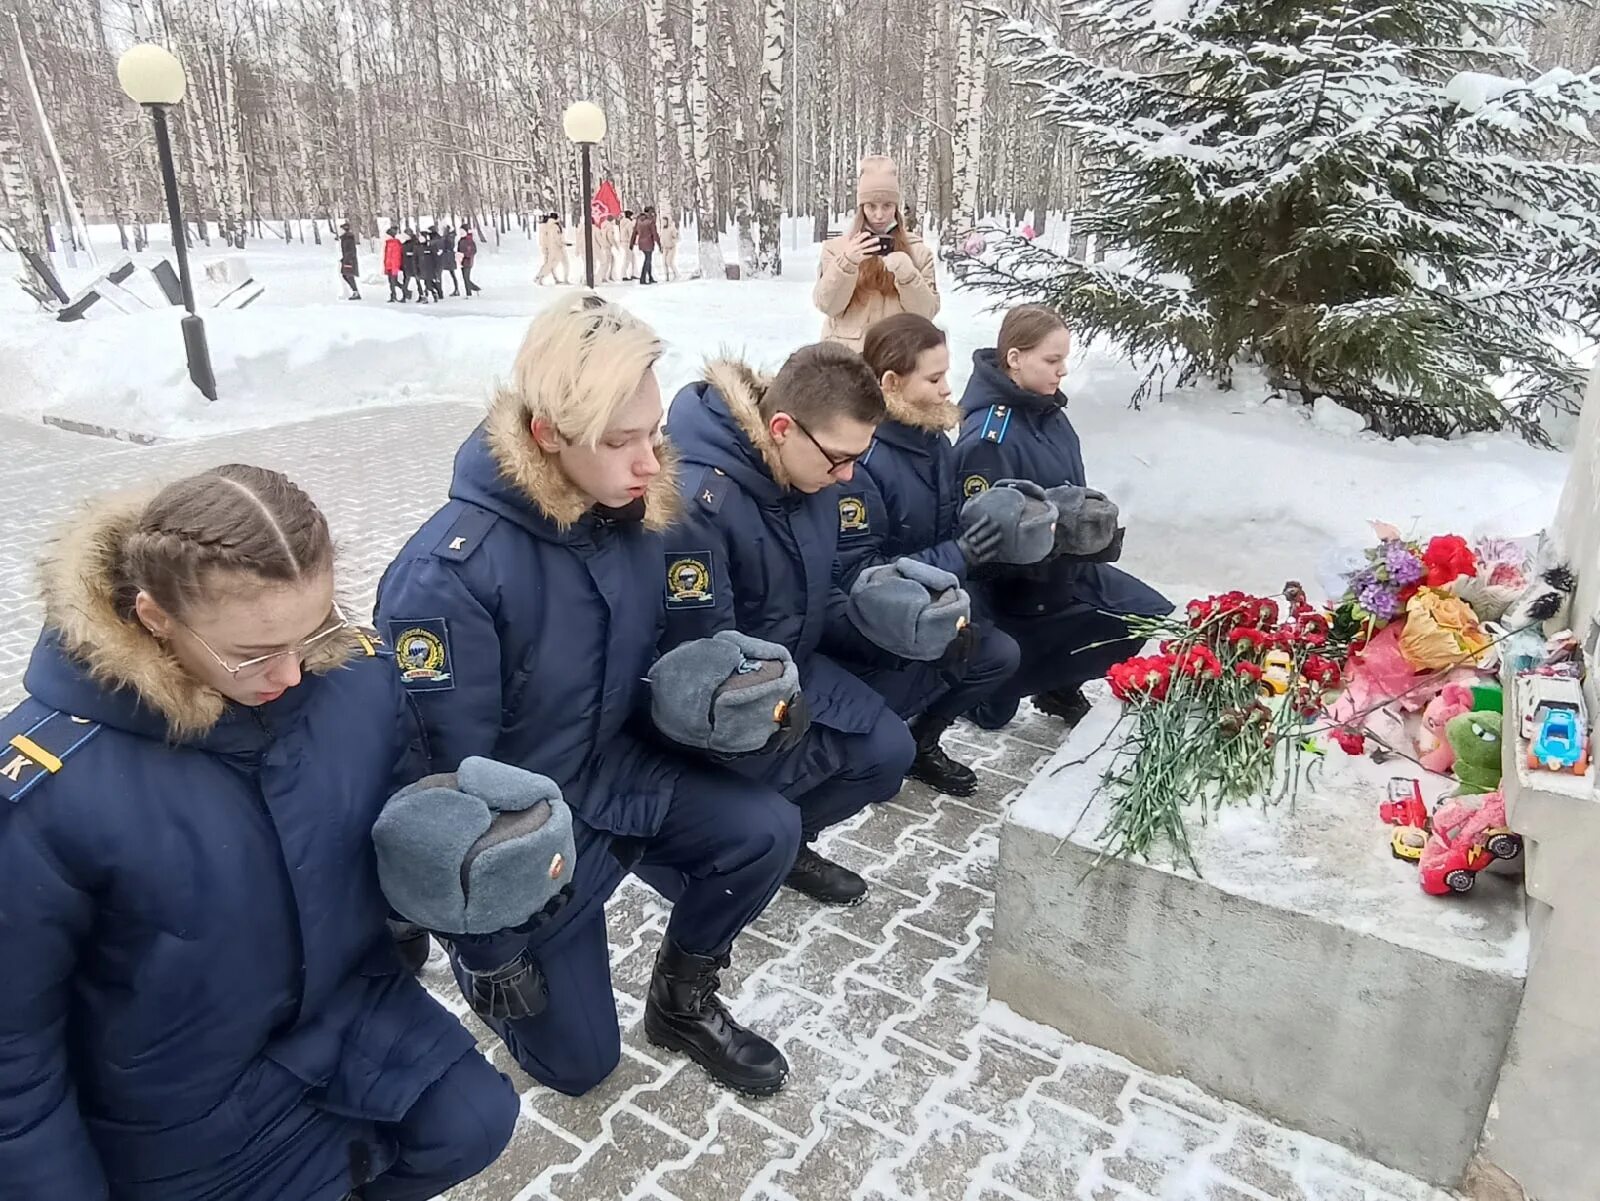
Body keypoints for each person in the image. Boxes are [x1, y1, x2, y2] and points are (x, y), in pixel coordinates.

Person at [0, 464, 518, 1201]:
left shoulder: (354, 678)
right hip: (179, 1104)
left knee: (477, 1119)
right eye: (252, 652)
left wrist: (494, 880)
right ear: (155, 616)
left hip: (349, 1013)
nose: (294, 672)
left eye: (313, 631)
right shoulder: (52, 789)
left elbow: (411, 832)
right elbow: (13, 1059)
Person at [375, 296, 799, 1100]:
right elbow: (441, 793)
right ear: (546, 436)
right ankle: (482, 962)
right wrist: (491, 943)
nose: (650, 462)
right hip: (525, 835)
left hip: (619, 774)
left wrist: (744, 707)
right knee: (579, 1064)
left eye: (655, 433)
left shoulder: (648, 514)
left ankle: (682, 999)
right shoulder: (451, 577)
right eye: (620, 441)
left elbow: (693, 656)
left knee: (766, 828)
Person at [659, 344, 919, 906]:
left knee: (890, 751)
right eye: (839, 458)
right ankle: (714, 861)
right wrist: (774, 700)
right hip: (722, 700)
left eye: (858, 457)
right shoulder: (701, 503)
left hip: (791, 662)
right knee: (759, 813)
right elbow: (701, 654)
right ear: (782, 428)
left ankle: (790, 843)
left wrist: (889, 618)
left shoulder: (810, 477)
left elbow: (818, 591)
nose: (848, 474)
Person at [955, 304, 1174, 729]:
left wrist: (1095, 531)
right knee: (993, 712)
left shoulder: (1049, 413)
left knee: (1154, 617)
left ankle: (1058, 680)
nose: (1063, 371)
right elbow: (983, 546)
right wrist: (1061, 540)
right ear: (1015, 359)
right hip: (1020, 590)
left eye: (1064, 359)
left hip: (1065, 570)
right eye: (1052, 360)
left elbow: (1071, 490)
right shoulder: (989, 439)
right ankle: (993, 685)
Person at [835, 314, 1023, 796]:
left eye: (947, 375)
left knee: (998, 653)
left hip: (932, 611)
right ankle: (874, 743)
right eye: (934, 378)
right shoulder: (863, 460)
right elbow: (864, 576)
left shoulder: (932, 439)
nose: (947, 390)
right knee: (882, 728)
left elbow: (948, 518)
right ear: (892, 383)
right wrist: (959, 553)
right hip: (877, 631)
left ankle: (924, 740)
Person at [814, 156, 938, 351]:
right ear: (861, 207)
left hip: (898, 359)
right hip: (845, 362)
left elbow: (926, 314)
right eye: (871, 206)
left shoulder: (919, 252)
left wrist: (908, 275)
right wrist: (846, 263)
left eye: (887, 206)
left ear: (896, 207)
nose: (879, 215)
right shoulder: (836, 249)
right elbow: (827, 306)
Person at [536, 212, 568, 285]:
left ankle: (543, 277)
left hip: (551, 248)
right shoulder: (553, 226)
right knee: (551, 265)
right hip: (555, 249)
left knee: (550, 265)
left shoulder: (547, 226)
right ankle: (539, 277)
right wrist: (562, 243)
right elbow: (555, 238)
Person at [633, 206, 659, 285]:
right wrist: (659, 244)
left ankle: (650, 277)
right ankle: (643, 278)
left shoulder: (639, 220)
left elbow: (634, 232)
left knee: (648, 260)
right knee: (647, 260)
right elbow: (654, 233)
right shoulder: (650, 221)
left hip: (641, 242)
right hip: (649, 243)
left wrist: (632, 243)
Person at [401, 229, 428, 303]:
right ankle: (405, 296)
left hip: (414, 265)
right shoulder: (405, 243)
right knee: (406, 281)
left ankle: (422, 295)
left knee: (417, 281)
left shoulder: (415, 243)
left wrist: (410, 254)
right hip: (407, 265)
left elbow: (417, 253)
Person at [339, 221, 361, 300]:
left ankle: (356, 292)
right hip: (347, 259)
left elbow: (351, 250)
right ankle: (355, 291)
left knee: (348, 275)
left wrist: (347, 258)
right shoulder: (345, 238)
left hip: (349, 260)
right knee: (345, 275)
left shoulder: (348, 238)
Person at [458, 222, 481, 295]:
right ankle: (472, 290)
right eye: (460, 231)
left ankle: (471, 291)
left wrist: (465, 254)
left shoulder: (469, 241)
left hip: (468, 261)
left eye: (462, 231)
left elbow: (473, 251)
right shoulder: (461, 240)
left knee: (466, 278)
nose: (461, 233)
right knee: (465, 278)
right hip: (461, 261)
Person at [384, 226, 404, 302]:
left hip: (393, 266)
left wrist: (394, 267)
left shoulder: (394, 243)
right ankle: (396, 294)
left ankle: (395, 295)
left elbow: (395, 257)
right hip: (389, 266)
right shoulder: (388, 243)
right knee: (392, 282)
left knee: (393, 282)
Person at [441, 225, 460, 296]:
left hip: (447, 257)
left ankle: (456, 289)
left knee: (449, 273)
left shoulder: (448, 237)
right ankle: (456, 289)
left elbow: (445, 245)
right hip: (449, 256)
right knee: (452, 274)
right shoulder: (451, 236)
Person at [660, 214, 680, 281]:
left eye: (665, 221)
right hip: (665, 248)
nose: (664, 223)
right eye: (663, 221)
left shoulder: (672, 228)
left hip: (671, 248)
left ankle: (676, 273)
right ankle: (667, 276)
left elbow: (677, 237)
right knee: (664, 263)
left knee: (669, 262)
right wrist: (661, 245)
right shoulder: (663, 229)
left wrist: (673, 241)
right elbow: (662, 238)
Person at [619, 210, 637, 280]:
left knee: (632, 258)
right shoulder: (629, 223)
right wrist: (632, 242)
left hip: (624, 242)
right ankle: (624, 275)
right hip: (628, 242)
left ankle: (633, 273)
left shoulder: (622, 222)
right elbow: (631, 233)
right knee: (628, 258)